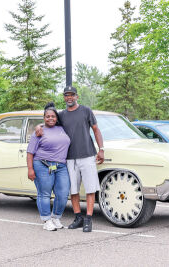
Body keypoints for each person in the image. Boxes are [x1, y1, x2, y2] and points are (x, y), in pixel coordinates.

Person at [36, 86, 104, 232]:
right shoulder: (61, 115)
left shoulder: (86, 111)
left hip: (87, 155)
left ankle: (88, 219)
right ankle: (78, 217)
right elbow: (50, 121)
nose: (69, 98)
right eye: (67, 95)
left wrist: (101, 149)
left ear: (77, 97)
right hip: (69, 158)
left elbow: (96, 129)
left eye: (72, 95)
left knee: (90, 188)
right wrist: (38, 125)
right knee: (73, 190)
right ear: (64, 97)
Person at [27, 102, 71, 231]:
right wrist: (30, 169)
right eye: (47, 116)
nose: (50, 118)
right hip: (42, 164)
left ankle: (56, 217)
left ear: (57, 118)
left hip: (61, 166)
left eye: (53, 116)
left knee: (63, 193)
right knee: (44, 193)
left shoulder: (62, 128)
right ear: (44, 118)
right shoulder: (39, 131)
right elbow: (30, 152)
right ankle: (46, 220)